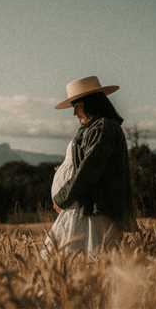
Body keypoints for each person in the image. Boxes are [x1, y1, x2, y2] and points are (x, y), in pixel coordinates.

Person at [40, 76, 138, 261]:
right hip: (83, 207)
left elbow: (89, 169)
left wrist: (62, 198)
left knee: (80, 262)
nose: (74, 113)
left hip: (92, 210)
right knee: (67, 263)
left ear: (89, 104)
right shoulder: (93, 128)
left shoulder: (103, 128)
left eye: (76, 106)